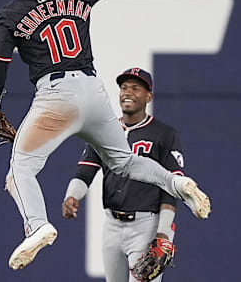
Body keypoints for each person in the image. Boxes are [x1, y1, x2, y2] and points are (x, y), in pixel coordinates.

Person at [0, 0, 210, 271]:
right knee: (122, 161)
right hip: (93, 90)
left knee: (20, 167)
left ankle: (36, 225)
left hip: (56, 96)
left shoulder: (11, 13)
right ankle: (177, 184)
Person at [62, 68, 183, 282]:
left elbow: (172, 187)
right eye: (124, 87)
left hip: (146, 225)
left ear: (148, 96)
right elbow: (86, 170)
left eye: (136, 88)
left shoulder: (164, 134)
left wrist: (163, 232)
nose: (128, 92)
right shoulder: (104, 131)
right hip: (112, 224)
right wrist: (72, 195)